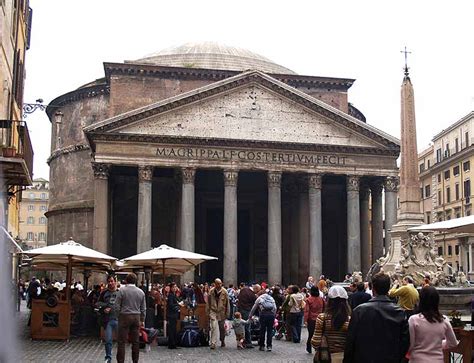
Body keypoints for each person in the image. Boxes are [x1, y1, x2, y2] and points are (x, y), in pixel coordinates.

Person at [344, 272, 409, 363]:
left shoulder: (359, 311)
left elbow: (350, 342)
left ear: (373, 288)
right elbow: (405, 343)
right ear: (388, 289)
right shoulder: (400, 312)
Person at [408, 286, 458, 362]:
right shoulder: (444, 320)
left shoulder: (413, 320)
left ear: (421, 301)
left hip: (417, 359)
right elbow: (453, 343)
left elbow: (410, 345)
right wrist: (437, 344)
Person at [311, 285, 350, 362]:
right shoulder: (350, 320)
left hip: (326, 358)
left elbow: (315, 342)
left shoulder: (322, 318)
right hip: (344, 358)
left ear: (329, 301)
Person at [115, 273, 146, 363]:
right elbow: (143, 308)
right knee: (135, 341)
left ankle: (120, 361)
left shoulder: (121, 290)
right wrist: (142, 319)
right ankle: (135, 361)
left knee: (121, 342)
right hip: (136, 316)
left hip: (124, 316)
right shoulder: (141, 292)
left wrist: (118, 315)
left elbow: (116, 306)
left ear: (126, 280)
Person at [97, 275, 119, 363]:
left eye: (112, 281)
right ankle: (108, 357)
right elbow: (98, 303)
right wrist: (104, 308)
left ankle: (120, 358)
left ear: (115, 282)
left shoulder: (119, 293)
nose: (110, 283)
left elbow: (123, 306)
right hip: (108, 320)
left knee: (120, 340)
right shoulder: (104, 293)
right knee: (108, 340)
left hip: (118, 319)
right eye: (109, 281)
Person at [249, 287, 277, 351]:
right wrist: (274, 315)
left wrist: (250, 315)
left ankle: (262, 345)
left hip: (263, 314)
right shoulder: (271, 298)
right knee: (270, 330)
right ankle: (269, 346)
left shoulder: (260, 298)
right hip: (271, 315)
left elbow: (254, 308)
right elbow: (275, 308)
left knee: (262, 330)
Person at [206, 278, 229, 349]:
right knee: (213, 326)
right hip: (213, 311)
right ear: (215, 284)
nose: (219, 285)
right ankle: (213, 343)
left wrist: (227, 313)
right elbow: (208, 302)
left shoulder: (225, 292)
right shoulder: (211, 291)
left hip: (221, 312)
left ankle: (222, 340)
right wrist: (207, 312)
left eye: (220, 283)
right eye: (217, 283)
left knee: (222, 328)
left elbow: (227, 304)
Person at [304, 285, 325, 354]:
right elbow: (324, 308)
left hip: (311, 319)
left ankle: (309, 347)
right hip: (320, 318)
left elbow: (307, 311)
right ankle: (319, 348)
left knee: (311, 334)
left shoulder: (309, 299)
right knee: (320, 334)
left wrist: (305, 320)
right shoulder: (321, 299)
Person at [237, 282, 257, 348]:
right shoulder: (252, 294)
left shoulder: (243, 290)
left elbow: (238, 298)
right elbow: (255, 303)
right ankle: (248, 342)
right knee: (247, 327)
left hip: (241, 310)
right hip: (247, 310)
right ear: (255, 289)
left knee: (241, 327)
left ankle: (241, 342)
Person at [167, 282, 183, 349]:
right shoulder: (171, 295)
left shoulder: (174, 294)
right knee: (172, 329)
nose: (175, 288)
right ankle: (172, 344)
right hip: (171, 314)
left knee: (173, 329)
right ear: (171, 288)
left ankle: (173, 343)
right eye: (173, 287)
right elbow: (170, 305)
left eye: (175, 287)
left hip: (174, 314)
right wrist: (178, 304)